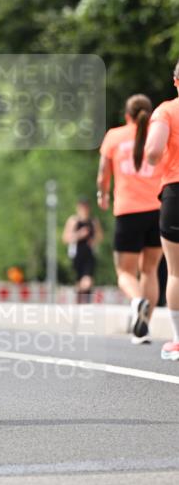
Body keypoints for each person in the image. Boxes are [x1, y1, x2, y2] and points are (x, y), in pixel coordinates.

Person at [97, 94, 163, 344]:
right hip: (157, 209)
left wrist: (102, 194)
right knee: (150, 269)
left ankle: (137, 302)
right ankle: (143, 327)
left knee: (124, 271)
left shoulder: (114, 136)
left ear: (127, 116)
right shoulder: (157, 136)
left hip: (127, 211)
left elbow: (103, 172)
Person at [143, 61, 179, 360]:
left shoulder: (166, 111)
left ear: (176, 81)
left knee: (176, 273)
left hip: (176, 192)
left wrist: (154, 161)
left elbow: (153, 151)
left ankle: (178, 341)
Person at [62, 198, 103, 303]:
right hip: (77, 255)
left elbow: (100, 236)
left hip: (89, 254)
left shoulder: (93, 221)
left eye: (86, 207)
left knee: (88, 281)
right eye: (82, 207)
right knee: (79, 281)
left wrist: (93, 240)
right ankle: (80, 302)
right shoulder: (73, 221)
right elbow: (65, 238)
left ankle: (86, 301)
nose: (84, 209)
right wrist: (79, 235)